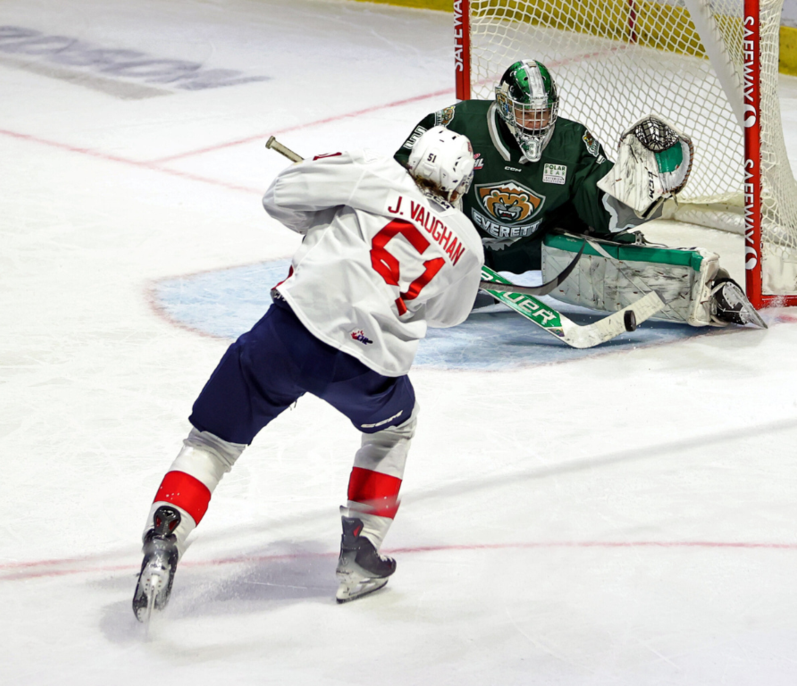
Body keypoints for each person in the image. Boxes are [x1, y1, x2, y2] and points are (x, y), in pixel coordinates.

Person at [132, 126, 483, 620]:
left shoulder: (373, 171)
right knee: (394, 429)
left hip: (289, 335)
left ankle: (166, 534)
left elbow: (280, 196)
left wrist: (326, 226)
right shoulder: (466, 244)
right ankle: (361, 554)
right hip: (366, 367)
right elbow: (450, 314)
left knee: (211, 442)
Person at [395, 60, 761, 327]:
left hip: (543, 250)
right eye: (527, 114)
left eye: (543, 115)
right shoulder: (456, 122)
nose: (536, 125)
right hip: (458, 245)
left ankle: (705, 291)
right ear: (505, 107)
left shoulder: (572, 142)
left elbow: (599, 210)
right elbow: (400, 183)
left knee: (603, 243)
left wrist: (634, 195)